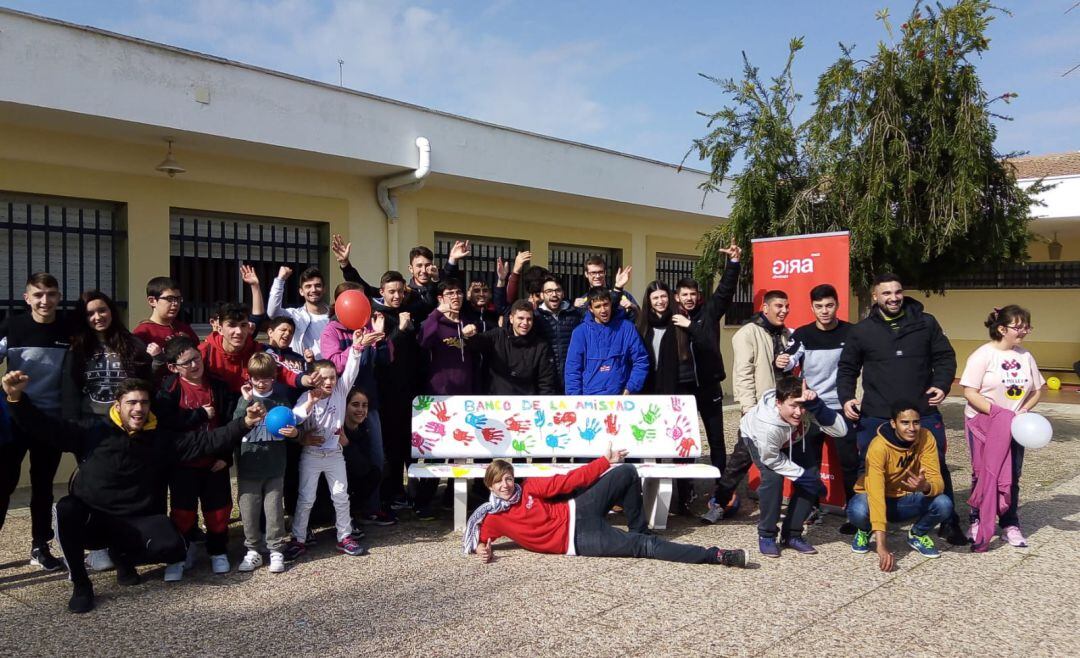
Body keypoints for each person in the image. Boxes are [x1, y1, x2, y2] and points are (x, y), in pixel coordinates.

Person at [1, 373, 265, 613]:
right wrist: (16, 399)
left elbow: (205, 441)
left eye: (144, 403)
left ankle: (122, 557)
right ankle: (81, 584)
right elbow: (45, 428)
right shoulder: (92, 431)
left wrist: (244, 423)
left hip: (135, 520)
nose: (138, 408)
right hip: (95, 519)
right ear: (118, 405)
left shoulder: (161, 438)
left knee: (173, 547)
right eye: (131, 402)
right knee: (66, 509)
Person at [836, 273, 967, 545]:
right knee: (868, 467)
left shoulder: (926, 323)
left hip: (922, 412)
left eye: (897, 292)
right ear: (875, 297)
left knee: (937, 466)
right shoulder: (861, 331)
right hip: (876, 414)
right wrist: (847, 397)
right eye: (886, 293)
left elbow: (945, 357)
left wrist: (942, 384)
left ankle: (949, 521)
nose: (893, 298)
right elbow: (847, 368)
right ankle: (863, 518)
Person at [464, 444, 746, 567]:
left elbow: (568, 482)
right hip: (578, 540)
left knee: (625, 472)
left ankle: (640, 528)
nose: (505, 485)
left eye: (509, 479)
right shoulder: (491, 516)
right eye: (498, 482)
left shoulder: (530, 488)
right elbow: (481, 540)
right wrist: (483, 550)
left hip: (577, 508)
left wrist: (604, 461)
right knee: (642, 549)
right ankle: (716, 555)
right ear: (489, 485)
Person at [0, 272, 70, 571]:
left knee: (43, 487)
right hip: (14, 418)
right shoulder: (11, 326)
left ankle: (40, 546)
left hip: (50, 421)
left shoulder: (69, 329)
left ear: (58, 297)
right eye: (38, 294)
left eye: (51, 294)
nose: (45, 300)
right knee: (3, 484)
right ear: (26, 298)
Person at [960, 305, 1045, 551]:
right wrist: (996, 413)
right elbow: (969, 392)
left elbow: (1037, 390)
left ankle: (1009, 523)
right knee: (982, 472)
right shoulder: (983, 355)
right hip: (984, 423)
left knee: (1012, 474)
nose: (1024, 332)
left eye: (1027, 327)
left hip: (1016, 425)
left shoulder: (1026, 356)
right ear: (1001, 328)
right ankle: (976, 519)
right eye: (1019, 327)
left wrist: (1023, 410)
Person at [703, 290, 791, 522]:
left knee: (786, 457)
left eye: (786, 306)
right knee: (741, 459)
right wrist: (748, 408)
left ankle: (803, 507)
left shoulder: (786, 334)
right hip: (758, 411)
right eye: (779, 306)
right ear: (765, 307)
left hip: (782, 410)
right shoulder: (748, 333)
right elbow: (742, 372)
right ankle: (719, 501)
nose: (784, 311)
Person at [777, 283, 859, 531]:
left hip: (842, 409)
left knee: (850, 464)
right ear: (812, 307)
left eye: (829, 305)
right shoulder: (802, 334)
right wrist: (783, 361)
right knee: (808, 464)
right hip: (811, 410)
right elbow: (790, 357)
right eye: (819, 306)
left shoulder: (852, 333)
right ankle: (809, 509)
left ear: (837, 305)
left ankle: (855, 514)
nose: (824, 311)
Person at [154, 335, 236, 580]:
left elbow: (230, 423)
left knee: (219, 511)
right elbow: (166, 426)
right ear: (172, 368)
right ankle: (182, 552)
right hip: (183, 464)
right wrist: (199, 414)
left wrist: (225, 456)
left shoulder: (218, 386)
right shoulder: (168, 390)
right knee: (182, 513)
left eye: (196, 358)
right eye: (186, 362)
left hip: (214, 462)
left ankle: (218, 551)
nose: (193, 365)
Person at [740, 376, 848, 557]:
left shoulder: (805, 408)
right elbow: (772, 460)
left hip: (794, 437)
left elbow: (841, 430)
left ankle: (792, 535)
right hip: (760, 440)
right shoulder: (766, 426)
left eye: (802, 406)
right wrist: (803, 478)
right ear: (778, 403)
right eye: (793, 406)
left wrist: (817, 405)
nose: (799, 412)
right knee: (773, 479)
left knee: (811, 475)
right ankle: (766, 534)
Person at [847, 401, 954, 570]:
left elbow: (938, 482)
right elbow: (875, 494)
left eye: (916, 422)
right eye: (905, 423)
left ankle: (917, 534)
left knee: (944, 503)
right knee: (857, 510)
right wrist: (881, 546)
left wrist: (925, 486)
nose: (911, 428)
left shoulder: (926, 438)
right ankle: (866, 529)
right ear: (893, 423)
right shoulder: (878, 447)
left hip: (906, 499)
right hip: (877, 498)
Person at [288, 332, 367, 558]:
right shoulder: (307, 396)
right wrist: (310, 403)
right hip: (311, 454)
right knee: (306, 498)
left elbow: (351, 370)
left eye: (332, 377)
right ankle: (298, 538)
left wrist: (356, 348)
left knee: (341, 495)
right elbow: (295, 419)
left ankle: (345, 536)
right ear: (314, 378)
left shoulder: (341, 390)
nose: (329, 382)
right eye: (324, 378)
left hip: (334, 454)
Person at [320, 284, 393, 524]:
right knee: (347, 458)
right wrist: (358, 346)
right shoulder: (331, 331)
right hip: (341, 404)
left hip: (367, 403)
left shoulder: (370, 325)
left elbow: (385, 360)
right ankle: (342, 512)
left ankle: (371, 507)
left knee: (376, 456)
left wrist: (380, 338)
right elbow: (334, 365)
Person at [414, 279, 480, 519]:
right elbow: (422, 340)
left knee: (461, 449)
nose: (455, 296)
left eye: (459, 292)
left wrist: (473, 336)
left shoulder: (467, 322)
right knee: (436, 451)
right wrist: (436, 314)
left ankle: (452, 500)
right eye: (450, 293)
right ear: (440, 297)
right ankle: (422, 501)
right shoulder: (435, 321)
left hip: (465, 396)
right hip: (438, 397)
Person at [234, 353, 300, 574]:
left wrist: (294, 432)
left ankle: (276, 549)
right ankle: (252, 550)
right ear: (249, 378)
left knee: (273, 511)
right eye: (256, 378)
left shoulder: (281, 400)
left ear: (274, 377)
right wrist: (246, 402)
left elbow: (293, 426)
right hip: (249, 467)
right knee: (249, 510)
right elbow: (236, 425)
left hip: (274, 467)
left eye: (266, 378)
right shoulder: (244, 399)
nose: (261, 383)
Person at [370, 270, 424, 513]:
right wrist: (401, 330)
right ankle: (390, 495)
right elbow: (384, 353)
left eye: (401, 291)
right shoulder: (378, 316)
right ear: (382, 292)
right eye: (392, 291)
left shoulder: (410, 311)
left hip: (411, 391)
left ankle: (413, 496)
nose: (397, 296)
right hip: (386, 392)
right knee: (390, 449)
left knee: (411, 447)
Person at [66, 290, 153, 418]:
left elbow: (146, 381)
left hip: (127, 420)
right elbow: (70, 390)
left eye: (102, 310)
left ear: (111, 311)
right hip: (91, 420)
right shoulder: (77, 348)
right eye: (90, 313)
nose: (98, 317)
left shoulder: (133, 344)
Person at [564, 286, 649, 396]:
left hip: (621, 399)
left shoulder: (627, 328)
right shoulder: (580, 333)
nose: (603, 310)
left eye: (605, 304)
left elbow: (641, 360)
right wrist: (576, 401)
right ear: (590, 308)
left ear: (611, 304)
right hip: (589, 400)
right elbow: (572, 370)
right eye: (598, 306)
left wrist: (630, 389)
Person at [466, 300, 558, 395]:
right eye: (520, 318)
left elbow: (546, 382)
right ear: (511, 318)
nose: (525, 323)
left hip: (526, 403)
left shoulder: (541, 346)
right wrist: (469, 335)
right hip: (497, 402)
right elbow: (476, 343)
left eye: (529, 319)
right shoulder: (497, 335)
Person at [525, 274, 582, 392]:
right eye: (549, 291)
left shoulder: (576, 315)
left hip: (572, 379)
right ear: (541, 295)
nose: (554, 295)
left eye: (558, 290)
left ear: (563, 293)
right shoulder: (535, 317)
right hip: (545, 381)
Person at [132, 276, 199, 375]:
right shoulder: (142, 332)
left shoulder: (184, 328)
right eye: (169, 299)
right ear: (152, 301)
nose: (175, 303)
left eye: (178, 299)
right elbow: (138, 370)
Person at [340, 388, 384, 537]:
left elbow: (363, 467)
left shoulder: (364, 429)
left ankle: (354, 512)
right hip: (331, 485)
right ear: (344, 407)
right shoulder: (337, 429)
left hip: (353, 479)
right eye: (355, 405)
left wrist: (348, 445)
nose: (360, 409)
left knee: (375, 471)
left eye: (364, 405)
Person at [267, 265, 329, 359]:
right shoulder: (295, 315)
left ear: (324, 289)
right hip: (304, 370)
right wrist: (280, 280)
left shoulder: (336, 316)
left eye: (318, 286)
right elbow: (272, 312)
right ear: (301, 291)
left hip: (332, 370)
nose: (313, 290)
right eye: (308, 286)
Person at [573, 256, 639, 317]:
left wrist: (633, 307)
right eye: (593, 273)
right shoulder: (583, 301)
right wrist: (575, 309)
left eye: (600, 272)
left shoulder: (623, 295)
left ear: (605, 272)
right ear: (586, 274)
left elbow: (642, 318)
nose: (597, 276)